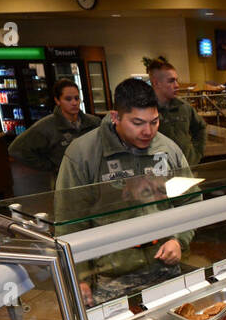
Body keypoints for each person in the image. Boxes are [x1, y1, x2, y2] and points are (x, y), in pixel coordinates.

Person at [55, 78, 195, 306]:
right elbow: (70, 220)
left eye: (154, 121)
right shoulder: (83, 154)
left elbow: (190, 201)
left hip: (166, 268)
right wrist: (79, 276)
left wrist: (179, 240)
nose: (148, 131)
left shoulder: (168, 149)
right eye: (138, 123)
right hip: (111, 277)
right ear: (115, 117)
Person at [7, 78, 100, 182]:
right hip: (65, 181)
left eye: (77, 98)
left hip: (95, 177)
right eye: (68, 99)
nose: (74, 103)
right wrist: (51, 166)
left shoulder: (94, 122)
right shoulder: (46, 126)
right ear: (57, 100)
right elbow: (16, 149)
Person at [147, 57, 207, 164]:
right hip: (160, 172)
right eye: (171, 81)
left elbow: (200, 127)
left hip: (187, 169)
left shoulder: (184, 107)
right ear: (156, 83)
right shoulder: (145, 110)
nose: (177, 85)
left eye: (176, 80)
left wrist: (196, 154)